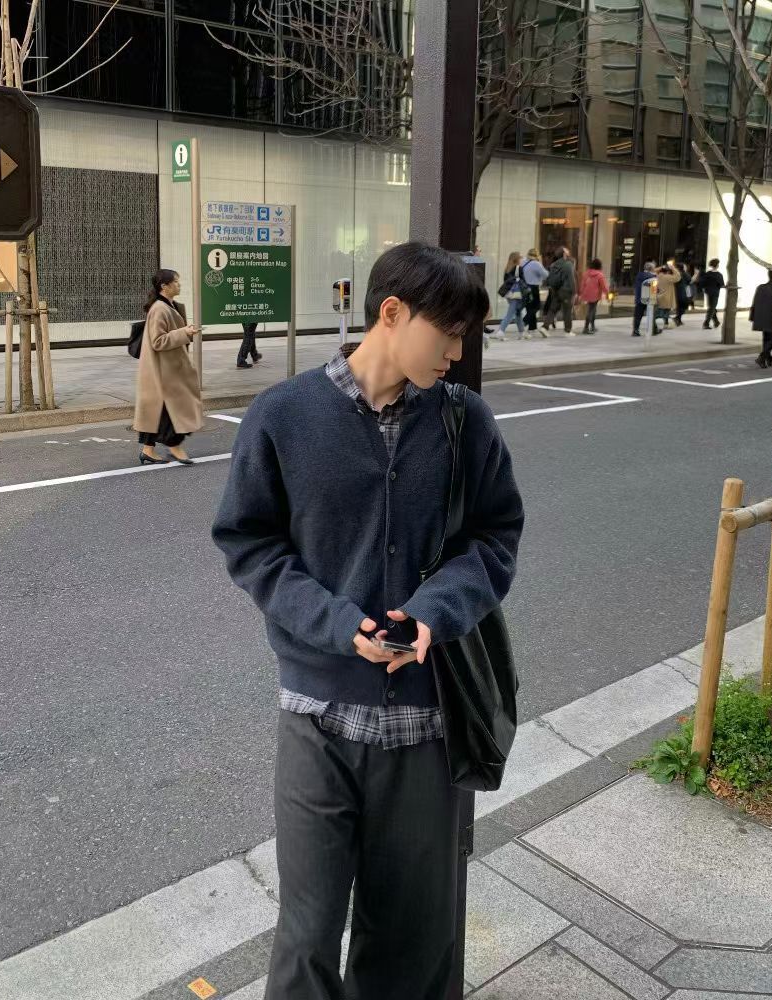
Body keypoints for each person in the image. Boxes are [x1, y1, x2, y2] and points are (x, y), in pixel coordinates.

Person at [212, 241, 524, 1000]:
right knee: (307, 933)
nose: (456, 353)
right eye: (448, 332)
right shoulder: (283, 416)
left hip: (428, 722)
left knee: (413, 936)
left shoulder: (465, 422)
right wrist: (333, 623)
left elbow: (495, 536)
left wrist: (430, 616)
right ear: (391, 313)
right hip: (316, 716)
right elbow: (249, 542)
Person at [134, 269, 202, 465]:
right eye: (176, 282)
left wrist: (185, 331)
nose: (179, 285)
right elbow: (158, 341)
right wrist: (185, 333)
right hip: (163, 370)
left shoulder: (169, 305)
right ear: (164, 286)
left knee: (157, 410)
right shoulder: (159, 309)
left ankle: (148, 450)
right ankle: (174, 446)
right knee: (172, 408)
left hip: (167, 368)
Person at [750, 269, 772, 371]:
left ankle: (769, 359)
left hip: (761, 317)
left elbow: (755, 302)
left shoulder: (761, 287)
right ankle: (762, 357)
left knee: (766, 338)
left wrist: (753, 316)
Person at [542, 246, 576, 334]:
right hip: (566, 291)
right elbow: (571, 279)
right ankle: (568, 331)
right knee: (567, 311)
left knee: (552, 309)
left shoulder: (553, 265)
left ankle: (544, 327)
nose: (568, 252)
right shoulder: (568, 264)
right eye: (566, 251)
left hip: (556, 290)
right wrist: (574, 292)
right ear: (564, 254)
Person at [494, 251, 524, 340]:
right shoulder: (519, 268)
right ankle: (501, 331)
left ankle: (521, 332)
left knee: (518, 313)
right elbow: (523, 281)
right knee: (511, 313)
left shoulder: (507, 268)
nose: (521, 259)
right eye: (520, 257)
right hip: (517, 294)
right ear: (517, 259)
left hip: (509, 294)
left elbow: (506, 282)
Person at [519, 248, 548, 338]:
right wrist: (541, 262)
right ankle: (524, 321)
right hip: (533, 287)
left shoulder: (523, 261)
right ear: (537, 255)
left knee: (529, 307)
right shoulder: (536, 264)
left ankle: (532, 327)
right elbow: (546, 275)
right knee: (536, 306)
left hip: (524, 287)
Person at [577, 258, 609, 334]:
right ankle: (586, 328)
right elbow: (603, 286)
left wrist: (581, 293)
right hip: (595, 295)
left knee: (592, 310)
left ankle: (592, 326)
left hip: (586, 294)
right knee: (591, 310)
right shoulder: (599, 275)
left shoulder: (586, 273)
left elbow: (583, 284)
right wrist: (607, 293)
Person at [632, 261, 657, 337]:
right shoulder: (652, 277)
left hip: (639, 298)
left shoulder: (639, 275)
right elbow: (655, 288)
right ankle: (654, 329)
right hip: (649, 298)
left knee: (638, 315)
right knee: (651, 314)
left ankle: (635, 330)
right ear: (651, 269)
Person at [699, 258, 725, 329]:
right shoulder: (719, 275)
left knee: (712, 308)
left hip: (708, 292)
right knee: (712, 308)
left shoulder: (707, 274)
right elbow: (721, 285)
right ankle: (706, 323)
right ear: (717, 265)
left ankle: (716, 322)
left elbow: (702, 283)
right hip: (715, 293)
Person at [655, 262, 680, 329]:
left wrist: (661, 267)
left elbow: (653, 271)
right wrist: (672, 267)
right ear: (668, 271)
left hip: (659, 296)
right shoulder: (668, 277)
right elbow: (678, 277)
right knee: (665, 312)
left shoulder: (657, 276)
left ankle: (657, 323)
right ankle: (665, 324)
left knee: (660, 311)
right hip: (667, 297)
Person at [674, 262, 690, 326]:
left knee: (679, 306)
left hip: (677, 291)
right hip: (683, 292)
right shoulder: (684, 273)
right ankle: (678, 318)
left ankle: (678, 319)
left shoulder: (677, 273)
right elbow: (689, 280)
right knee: (682, 306)